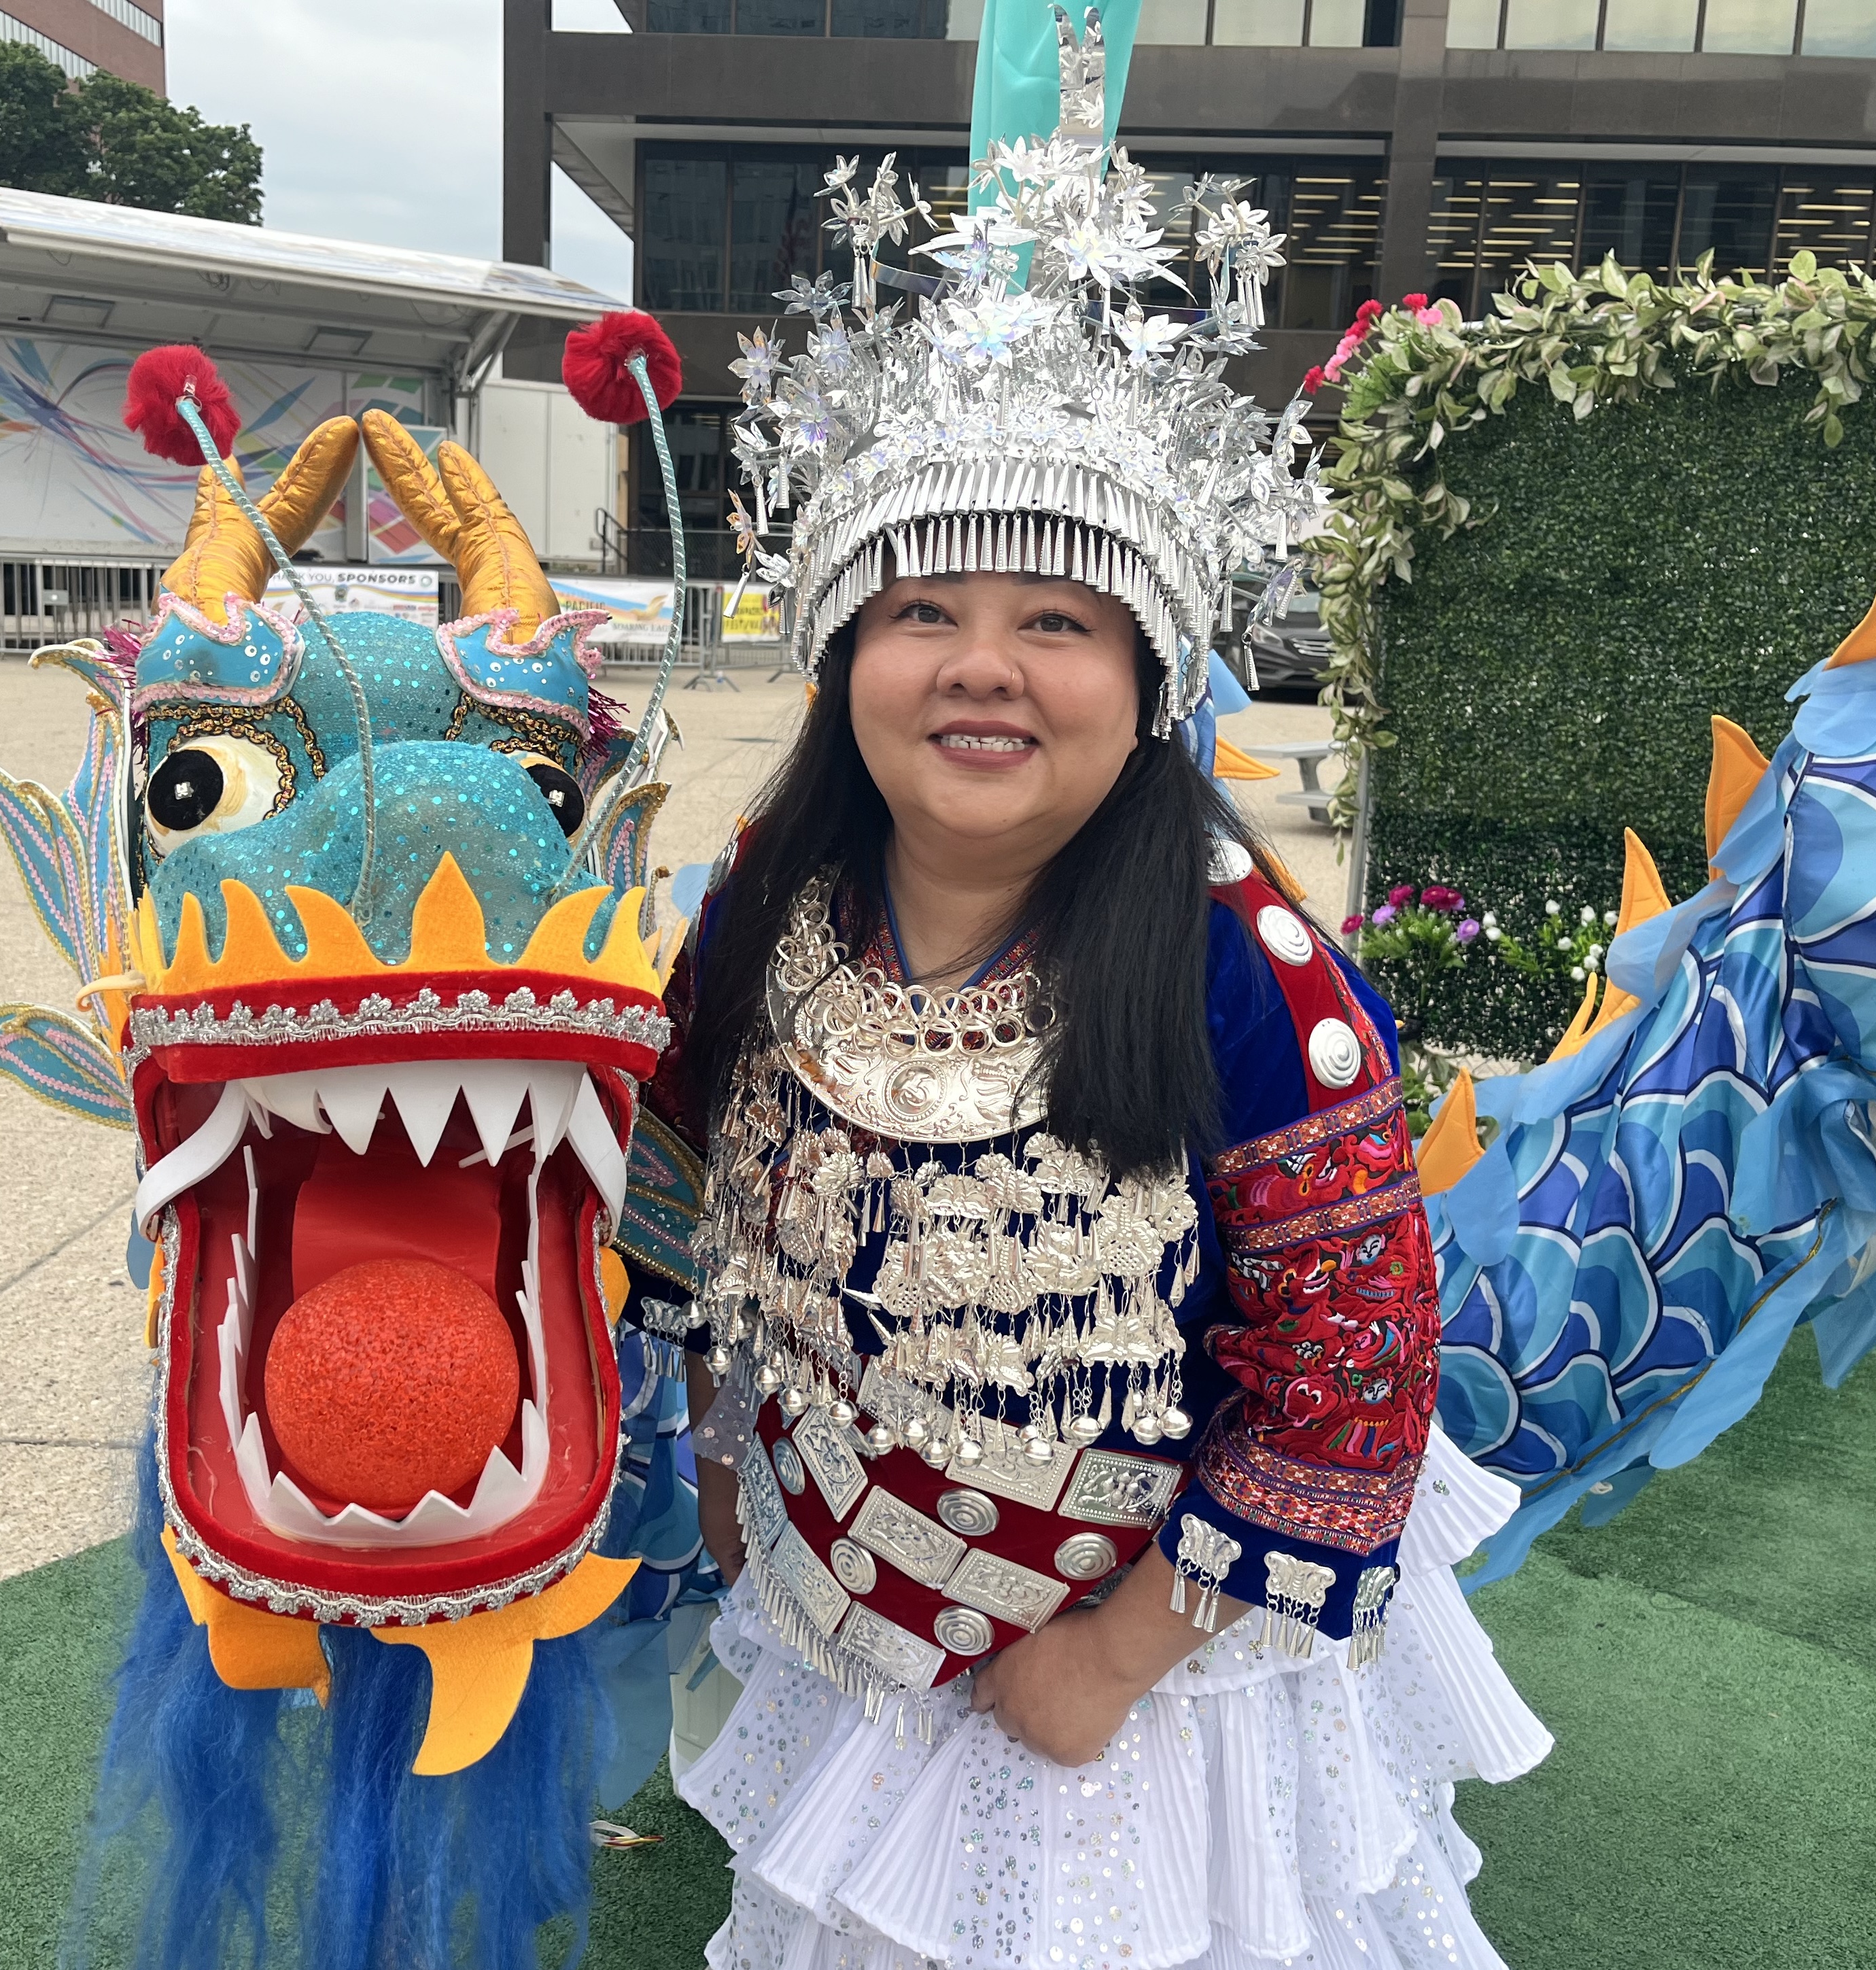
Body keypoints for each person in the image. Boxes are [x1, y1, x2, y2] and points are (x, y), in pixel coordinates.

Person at [604, 12, 1552, 1965]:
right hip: (838, 1585)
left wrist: (1121, 1652)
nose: (982, 667)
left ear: (1153, 683)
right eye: (924, 611)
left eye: (1054, 621)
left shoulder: (1248, 971)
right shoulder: (762, 903)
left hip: (1143, 1667)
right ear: (842, 653)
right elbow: (676, 1191)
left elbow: (1355, 1379)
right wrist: (717, 1457)